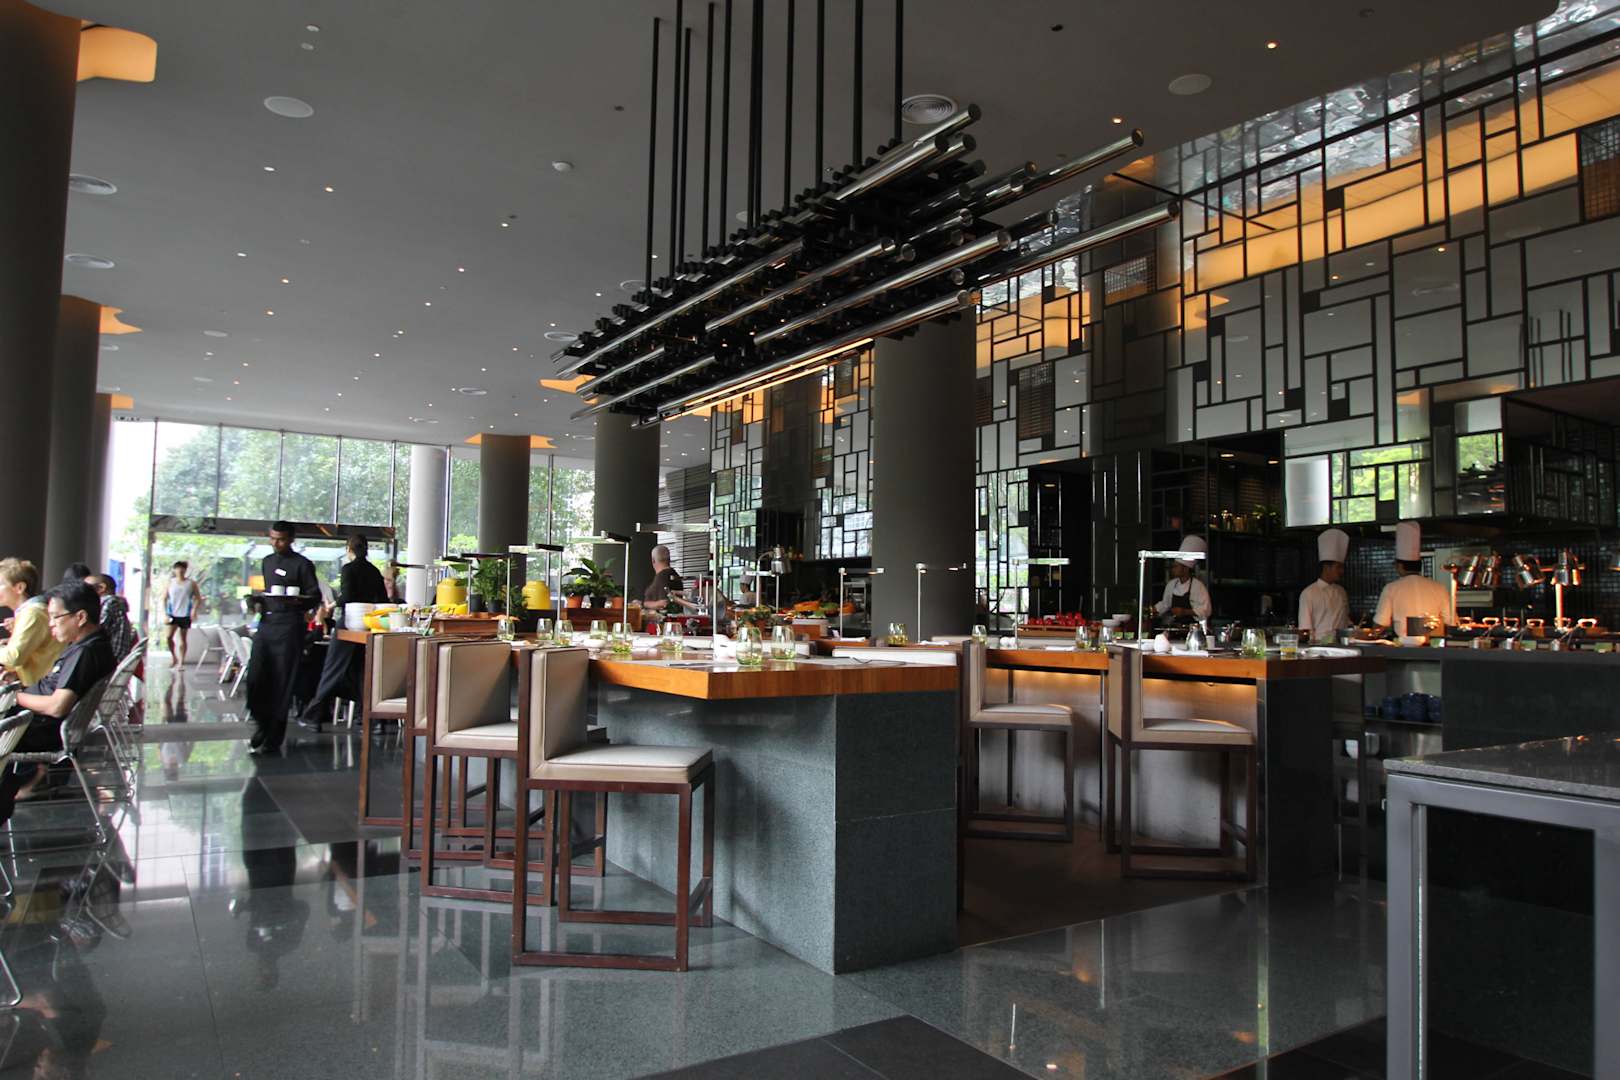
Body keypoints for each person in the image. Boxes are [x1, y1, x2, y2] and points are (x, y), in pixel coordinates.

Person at [0, 583, 116, 825]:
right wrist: (16, 685)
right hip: (31, 719)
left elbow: (57, 706)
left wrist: (13, 696)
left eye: (55, 617)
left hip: (34, 727)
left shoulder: (87, 652)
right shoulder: (88, 645)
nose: (50, 624)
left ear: (80, 617)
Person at [245, 522, 320, 754]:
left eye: (281, 539)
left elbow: (314, 596)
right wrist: (256, 601)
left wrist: (297, 602)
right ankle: (261, 722)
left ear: (291, 539)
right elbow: (268, 594)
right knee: (255, 677)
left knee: (282, 682)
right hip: (267, 625)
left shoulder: (302, 564)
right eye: (272, 538)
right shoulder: (267, 562)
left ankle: (273, 736)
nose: (276, 543)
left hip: (290, 628)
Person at [298, 536, 387, 728]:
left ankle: (315, 716)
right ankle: (371, 719)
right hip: (368, 624)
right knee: (363, 671)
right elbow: (383, 599)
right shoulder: (374, 571)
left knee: (333, 668)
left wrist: (332, 605)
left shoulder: (348, 569)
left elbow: (347, 596)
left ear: (349, 549)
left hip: (349, 622)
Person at [1373, 521, 1455, 635]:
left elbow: (1380, 623)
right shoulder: (1439, 588)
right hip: (1434, 642)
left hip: (1405, 644)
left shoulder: (1391, 588)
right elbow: (1451, 621)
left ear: (1400, 566)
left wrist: (1370, 635)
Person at [0, 559, 62, 688]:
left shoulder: (33, 613)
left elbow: (14, 657)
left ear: (20, 588)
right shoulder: (31, 611)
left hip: (41, 688)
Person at [1298, 528, 1351, 643]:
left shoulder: (1341, 591)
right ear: (1326, 567)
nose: (1342, 571)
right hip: (1318, 646)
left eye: (1342, 567)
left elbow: (1345, 621)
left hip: (1341, 645)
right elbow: (1305, 629)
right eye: (1338, 567)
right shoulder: (1308, 593)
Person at [1154, 535, 1213, 624]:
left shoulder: (1198, 586)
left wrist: (1185, 612)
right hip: (1174, 626)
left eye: (1176, 567)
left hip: (1192, 627)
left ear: (1185, 569)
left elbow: (1206, 610)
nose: (1173, 569)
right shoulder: (1171, 585)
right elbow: (1165, 604)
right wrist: (1152, 610)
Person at [86, 573, 136, 662]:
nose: (81, 592)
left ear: (101, 588)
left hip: (110, 661)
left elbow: (92, 632)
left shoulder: (110, 604)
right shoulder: (116, 604)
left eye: (86, 588)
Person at [164, 561, 202, 666]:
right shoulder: (170, 583)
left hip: (185, 614)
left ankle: (181, 661)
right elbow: (164, 598)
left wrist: (194, 610)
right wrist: (165, 613)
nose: (180, 570)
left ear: (185, 570)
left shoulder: (191, 583)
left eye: (182, 568)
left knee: (182, 638)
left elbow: (198, 598)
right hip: (172, 614)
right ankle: (174, 657)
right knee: (168, 637)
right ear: (174, 570)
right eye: (178, 568)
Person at [642, 545, 683, 613]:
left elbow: (664, 603)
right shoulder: (674, 574)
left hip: (664, 618)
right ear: (669, 559)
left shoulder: (663, 577)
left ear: (653, 560)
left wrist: (642, 604)